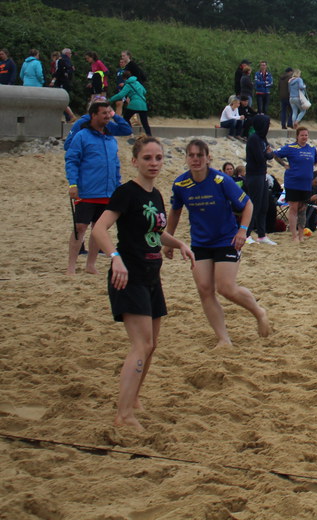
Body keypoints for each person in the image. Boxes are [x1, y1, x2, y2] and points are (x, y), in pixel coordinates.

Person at [89, 136, 193, 430]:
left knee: (152, 345)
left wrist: (179, 243)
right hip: (129, 275)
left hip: (151, 275)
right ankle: (123, 415)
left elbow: (156, 232)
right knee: (141, 344)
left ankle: (133, 398)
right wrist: (115, 257)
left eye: (158, 158)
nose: (154, 163)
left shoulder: (156, 195)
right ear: (134, 161)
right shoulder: (126, 193)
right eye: (147, 158)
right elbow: (99, 229)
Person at [165, 139, 270, 347]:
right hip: (200, 242)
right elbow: (175, 211)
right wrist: (169, 240)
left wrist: (242, 231)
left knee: (226, 288)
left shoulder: (221, 180)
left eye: (200, 155)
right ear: (186, 158)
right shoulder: (180, 184)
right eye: (191, 155)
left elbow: (248, 204)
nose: (195, 159)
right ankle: (223, 338)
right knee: (204, 289)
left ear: (208, 158)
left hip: (226, 239)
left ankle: (259, 312)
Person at [64, 99, 133, 275]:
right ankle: (71, 266)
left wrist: (117, 186)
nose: (108, 116)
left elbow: (115, 165)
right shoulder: (82, 135)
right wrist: (73, 184)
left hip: (108, 191)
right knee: (80, 227)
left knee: (99, 229)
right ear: (93, 115)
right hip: (87, 191)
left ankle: (90, 264)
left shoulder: (110, 138)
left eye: (109, 113)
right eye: (104, 113)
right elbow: (72, 160)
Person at [274, 126, 317, 242]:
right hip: (293, 182)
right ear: (297, 136)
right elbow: (275, 154)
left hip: (306, 183)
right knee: (294, 208)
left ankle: (301, 235)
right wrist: (284, 165)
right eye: (302, 135)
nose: (304, 137)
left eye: (306, 135)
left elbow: (315, 162)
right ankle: (294, 235)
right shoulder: (291, 148)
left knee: (303, 208)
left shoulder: (312, 149)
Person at [243, 114, 277, 246]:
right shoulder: (254, 139)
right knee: (254, 205)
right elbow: (260, 158)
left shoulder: (263, 138)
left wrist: (267, 154)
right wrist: (267, 154)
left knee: (264, 206)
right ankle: (246, 234)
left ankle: (262, 235)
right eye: (266, 125)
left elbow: (271, 155)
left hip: (263, 175)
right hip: (254, 175)